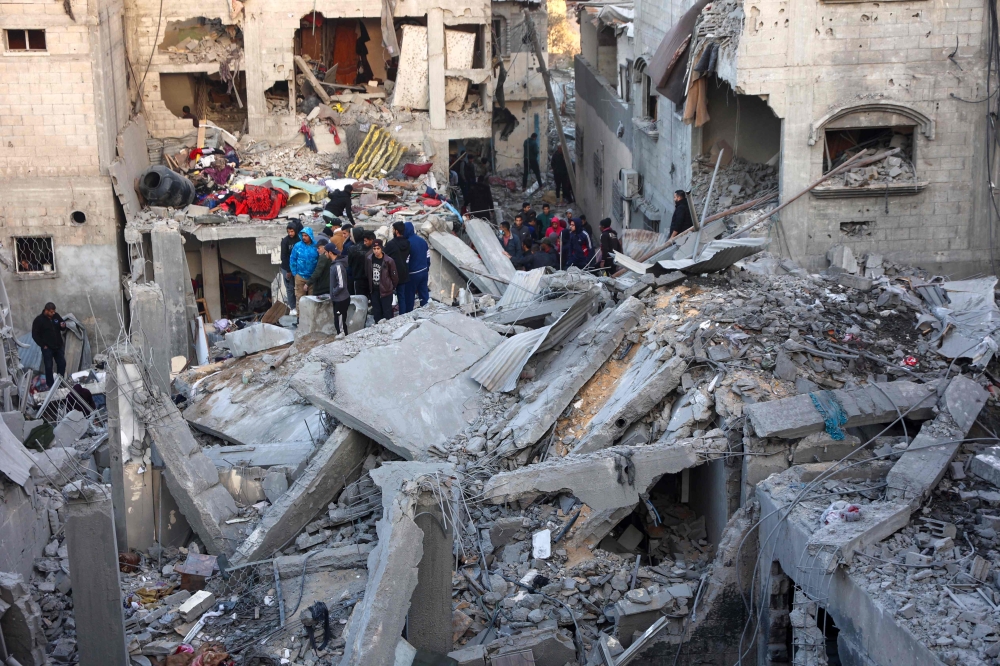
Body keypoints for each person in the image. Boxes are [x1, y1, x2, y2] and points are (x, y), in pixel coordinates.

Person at [32, 303, 66, 389]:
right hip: (47, 348)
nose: (53, 313)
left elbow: (62, 326)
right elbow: (35, 335)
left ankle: (60, 382)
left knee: (62, 363)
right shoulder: (39, 320)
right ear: (46, 310)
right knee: (48, 366)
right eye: (51, 312)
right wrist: (43, 345)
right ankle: (50, 385)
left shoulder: (56, 316)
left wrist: (63, 325)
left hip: (58, 346)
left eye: (54, 311)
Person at [366, 239, 398, 322]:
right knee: (377, 313)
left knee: (387, 313)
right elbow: (368, 273)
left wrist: (391, 287)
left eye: (378, 248)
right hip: (374, 290)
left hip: (386, 291)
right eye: (374, 249)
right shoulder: (369, 259)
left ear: (381, 248)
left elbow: (394, 276)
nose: (376, 251)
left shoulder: (388, 260)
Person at [384, 222, 411, 314]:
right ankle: (402, 315)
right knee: (401, 296)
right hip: (404, 272)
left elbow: (383, 255)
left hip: (392, 273)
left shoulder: (391, 244)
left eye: (393, 229)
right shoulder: (407, 243)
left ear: (396, 231)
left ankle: (390, 316)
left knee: (389, 296)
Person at [404, 222, 430, 310]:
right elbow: (428, 256)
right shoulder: (422, 241)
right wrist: (427, 268)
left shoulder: (408, 243)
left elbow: (406, 261)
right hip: (424, 272)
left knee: (409, 297)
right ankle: (426, 311)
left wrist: (405, 274)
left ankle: (409, 314)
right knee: (424, 294)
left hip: (413, 274)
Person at [289, 227, 319, 303]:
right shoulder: (297, 246)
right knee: (300, 299)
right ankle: (300, 312)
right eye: (302, 235)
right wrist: (295, 273)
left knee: (312, 300)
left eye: (306, 235)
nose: (304, 237)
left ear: (310, 235)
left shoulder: (316, 246)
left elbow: (320, 260)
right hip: (300, 276)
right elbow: (292, 259)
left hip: (312, 277)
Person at [329, 247, 351, 337]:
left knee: (340, 322)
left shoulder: (338, 266)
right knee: (338, 321)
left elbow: (341, 285)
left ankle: (343, 338)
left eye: (325, 252)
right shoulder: (334, 265)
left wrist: (333, 292)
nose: (325, 254)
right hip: (337, 299)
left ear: (330, 253)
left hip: (340, 300)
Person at [280, 220, 302, 308]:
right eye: (288, 232)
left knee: (299, 288)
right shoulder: (285, 241)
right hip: (287, 268)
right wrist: (289, 270)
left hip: (297, 267)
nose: (290, 233)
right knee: (290, 288)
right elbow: (283, 257)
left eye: (292, 231)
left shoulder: (299, 239)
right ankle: (293, 308)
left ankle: (299, 306)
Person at [349, 231, 375, 297]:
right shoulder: (377, 251)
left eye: (366, 241)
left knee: (360, 299)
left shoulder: (353, 249)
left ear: (371, 240)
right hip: (371, 280)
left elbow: (349, 264)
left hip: (359, 279)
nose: (364, 243)